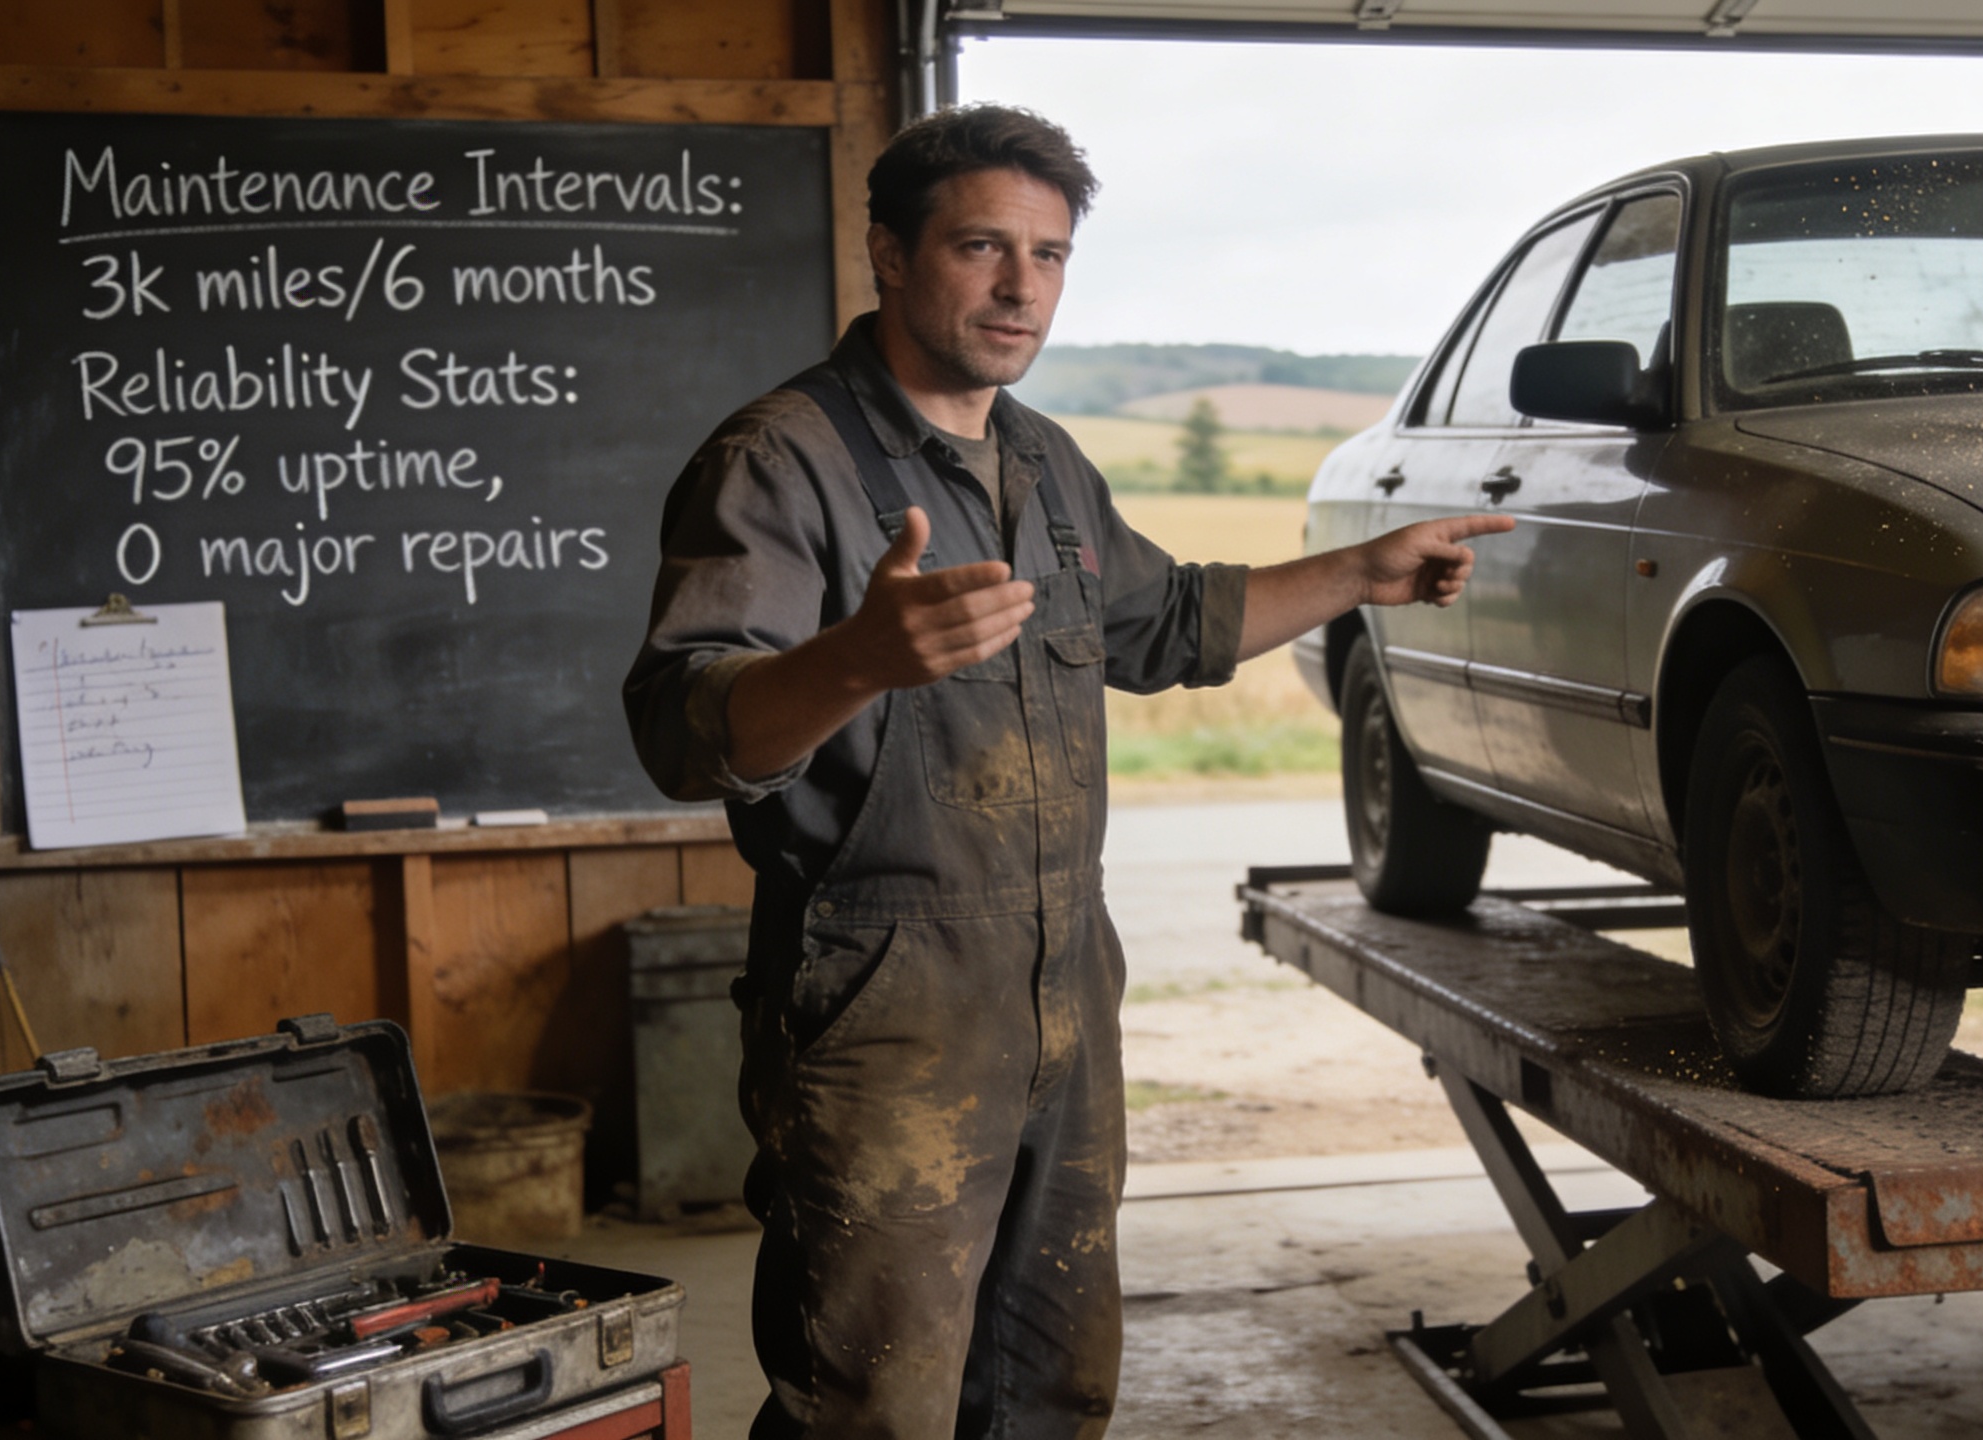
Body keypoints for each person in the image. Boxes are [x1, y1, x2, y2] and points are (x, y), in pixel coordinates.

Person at [624, 103, 1510, 1440]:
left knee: (1053, 1386)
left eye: (1048, 256)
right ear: (890, 253)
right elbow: (684, 731)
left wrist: (1361, 571)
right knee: (877, 1406)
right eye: (982, 245)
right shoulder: (780, 462)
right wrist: (857, 659)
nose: (1020, 287)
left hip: (1065, 985)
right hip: (884, 998)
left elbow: (1169, 623)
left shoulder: (1045, 462)